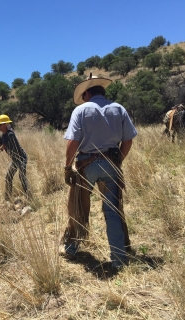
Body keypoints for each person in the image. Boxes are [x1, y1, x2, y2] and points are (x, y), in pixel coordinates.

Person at [62, 73, 137, 270]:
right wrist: (118, 159)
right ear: (102, 91)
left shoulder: (81, 110)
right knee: (113, 210)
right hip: (111, 164)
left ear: (86, 93)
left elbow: (73, 142)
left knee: (77, 206)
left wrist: (67, 167)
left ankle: (71, 247)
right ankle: (119, 258)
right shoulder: (119, 109)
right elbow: (128, 140)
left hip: (86, 165)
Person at [0, 114, 30, 201]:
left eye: (0, 125)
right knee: (8, 177)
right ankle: (8, 198)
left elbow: (2, 148)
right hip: (15, 160)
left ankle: (29, 198)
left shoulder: (10, 134)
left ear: (5, 124)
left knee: (22, 177)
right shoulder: (1, 135)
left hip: (21, 158)